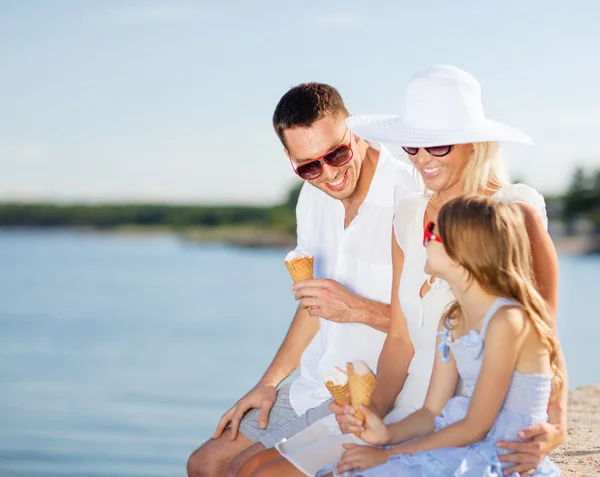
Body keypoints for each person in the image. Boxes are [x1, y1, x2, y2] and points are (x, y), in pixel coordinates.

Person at [241, 65, 567, 477]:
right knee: (253, 472)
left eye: (439, 146)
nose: (423, 161)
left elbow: (546, 337)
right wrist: (369, 417)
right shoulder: (409, 216)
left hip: (472, 420)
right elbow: (399, 339)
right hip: (410, 408)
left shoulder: (513, 214)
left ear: (474, 142)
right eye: (413, 148)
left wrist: (555, 425)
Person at [186, 83, 422, 477]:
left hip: (385, 394)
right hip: (315, 384)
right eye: (309, 166)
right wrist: (268, 383)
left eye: (337, 154)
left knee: (247, 471)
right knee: (205, 464)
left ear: (356, 133)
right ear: (289, 159)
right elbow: (315, 305)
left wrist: (359, 309)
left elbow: (442, 325)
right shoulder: (311, 198)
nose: (328, 174)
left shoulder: (412, 197)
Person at [316, 195, 562, 476]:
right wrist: (385, 434)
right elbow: (431, 412)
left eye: (432, 232)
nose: (425, 239)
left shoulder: (508, 321)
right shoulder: (452, 320)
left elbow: (476, 426)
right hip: (460, 441)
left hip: (499, 455)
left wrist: (387, 457)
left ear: (463, 253)